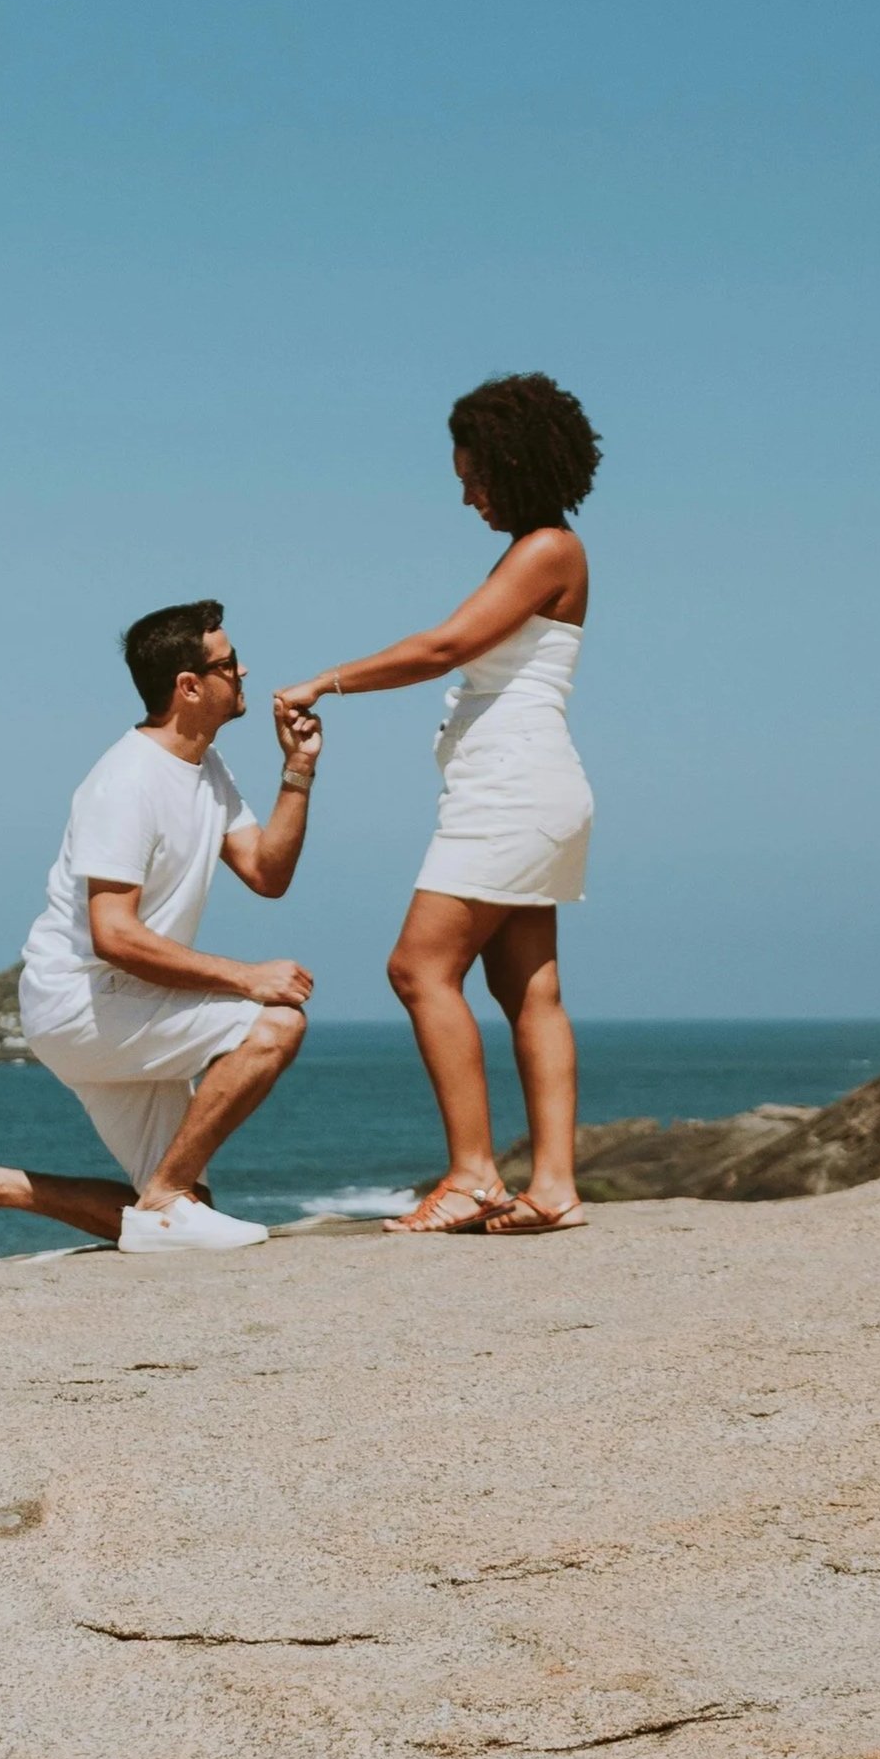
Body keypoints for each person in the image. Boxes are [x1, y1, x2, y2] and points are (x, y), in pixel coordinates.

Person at [275, 373, 599, 1235]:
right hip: (529, 789)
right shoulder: (540, 550)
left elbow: (446, 645)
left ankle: (471, 1173)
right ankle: (554, 1185)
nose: (464, 495)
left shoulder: (545, 550)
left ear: (512, 462)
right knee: (525, 984)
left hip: (512, 791)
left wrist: (326, 680)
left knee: (418, 967)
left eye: (473, 476)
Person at [0, 599, 322, 1262]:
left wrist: (298, 771)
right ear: (187, 686)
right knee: (273, 1022)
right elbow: (114, 934)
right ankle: (164, 1200)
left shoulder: (207, 769)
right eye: (227, 663)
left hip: (127, 1005)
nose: (242, 670)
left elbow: (265, 871)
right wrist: (246, 977)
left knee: (185, 1208)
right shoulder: (125, 781)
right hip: (83, 1003)